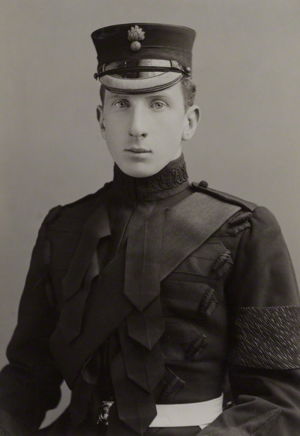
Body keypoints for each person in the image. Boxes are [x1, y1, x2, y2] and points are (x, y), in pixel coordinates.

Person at [0, 22, 299, 436]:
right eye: (122, 105)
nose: (137, 126)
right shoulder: (63, 228)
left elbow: (280, 398)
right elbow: (27, 377)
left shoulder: (246, 229)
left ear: (189, 121)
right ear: (101, 119)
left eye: (158, 104)